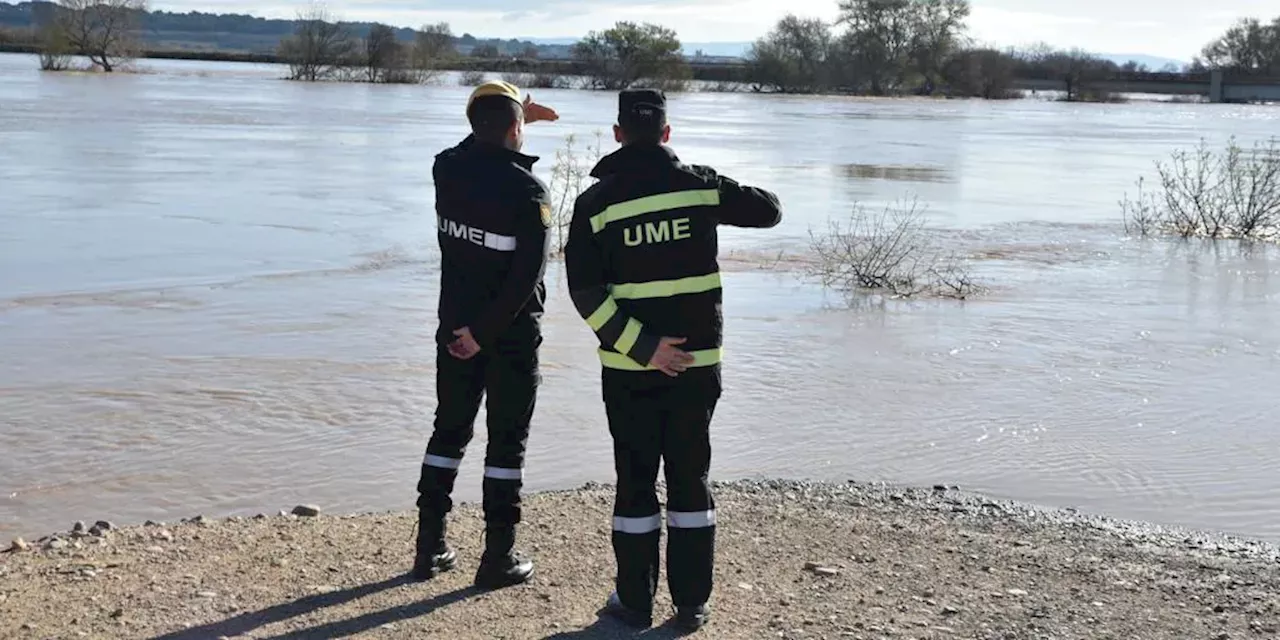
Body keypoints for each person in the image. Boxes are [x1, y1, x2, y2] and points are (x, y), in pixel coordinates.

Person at [563, 88, 782, 630]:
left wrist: (642, 348)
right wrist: (705, 182)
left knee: (635, 480)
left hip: (628, 369)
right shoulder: (700, 186)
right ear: (666, 133)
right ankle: (691, 602)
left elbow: (585, 292)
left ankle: (634, 604)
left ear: (618, 135)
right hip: (696, 366)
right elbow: (770, 210)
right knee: (690, 477)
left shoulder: (595, 204)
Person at [414, 80, 558, 589]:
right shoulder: (528, 190)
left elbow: (468, 142)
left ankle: (429, 547)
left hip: (453, 328)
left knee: (448, 430)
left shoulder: (446, 169)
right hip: (509, 335)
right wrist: (484, 334)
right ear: (517, 128)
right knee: (506, 444)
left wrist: (511, 115)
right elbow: (527, 278)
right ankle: (497, 557)